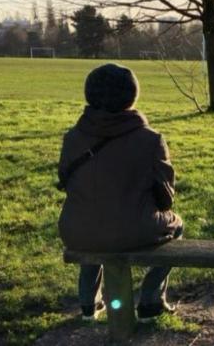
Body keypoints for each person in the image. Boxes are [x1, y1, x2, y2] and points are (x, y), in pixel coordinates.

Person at [57, 63, 183, 322]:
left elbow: (66, 182)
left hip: (76, 230)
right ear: (132, 96)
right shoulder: (151, 140)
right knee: (177, 226)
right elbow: (165, 198)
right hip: (134, 230)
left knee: (93, 219)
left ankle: (88, 304)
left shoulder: (72, 137)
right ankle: (150, 301)